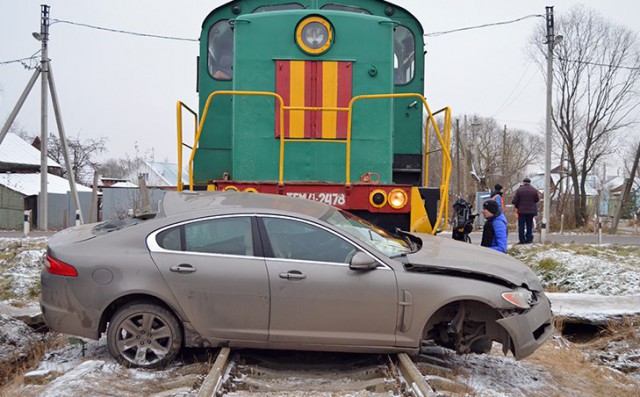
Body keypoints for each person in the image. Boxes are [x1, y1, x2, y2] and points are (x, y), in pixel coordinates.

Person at [511, 177, 540, 244]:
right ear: (530, 182)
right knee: (529, 226)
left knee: (521, 226)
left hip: (521, 211)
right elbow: (537, 200)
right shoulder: (534, 190)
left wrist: (517, 205)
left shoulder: (519, 190)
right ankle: (529, 239)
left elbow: (514, 201)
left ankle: (522, 240)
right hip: (530, 212)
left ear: (523, 182)